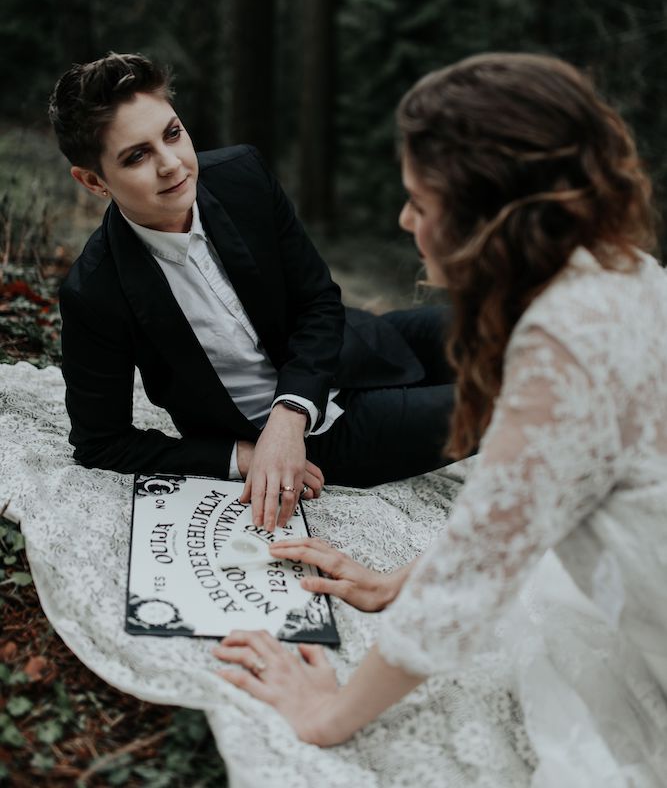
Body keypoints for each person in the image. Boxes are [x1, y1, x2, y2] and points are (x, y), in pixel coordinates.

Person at [213, 52, 667, 782]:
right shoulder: (617, 268)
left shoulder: (562, 347)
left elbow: (473, 579)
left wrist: (326, 716)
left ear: (488, 219)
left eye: (418, 203)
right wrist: (398, 581)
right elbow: (521, 509)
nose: (403, 221)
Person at [49, 52, 456, 531]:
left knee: (513, 326)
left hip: (354, 345)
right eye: (137, 156)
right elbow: (101, 442)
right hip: (331, 435)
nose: (171, 163)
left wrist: (289, 412)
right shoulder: (94, 291)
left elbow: (318, 300)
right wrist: (242, 456)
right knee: (521, 398)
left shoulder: (242, 175)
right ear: (94, 181)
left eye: (173, 133)